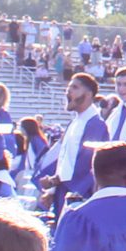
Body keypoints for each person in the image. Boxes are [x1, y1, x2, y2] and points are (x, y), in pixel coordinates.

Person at [44, 74, 109, 217]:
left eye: (75, 87)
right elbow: (65, 161)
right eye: (68, 88)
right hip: (64, 191)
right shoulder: (73, 123)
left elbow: (92, 166)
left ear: (88, 94)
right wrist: (52, 189)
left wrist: (77, 194)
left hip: (79, 196)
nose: (68, 92)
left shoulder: (95, 124)